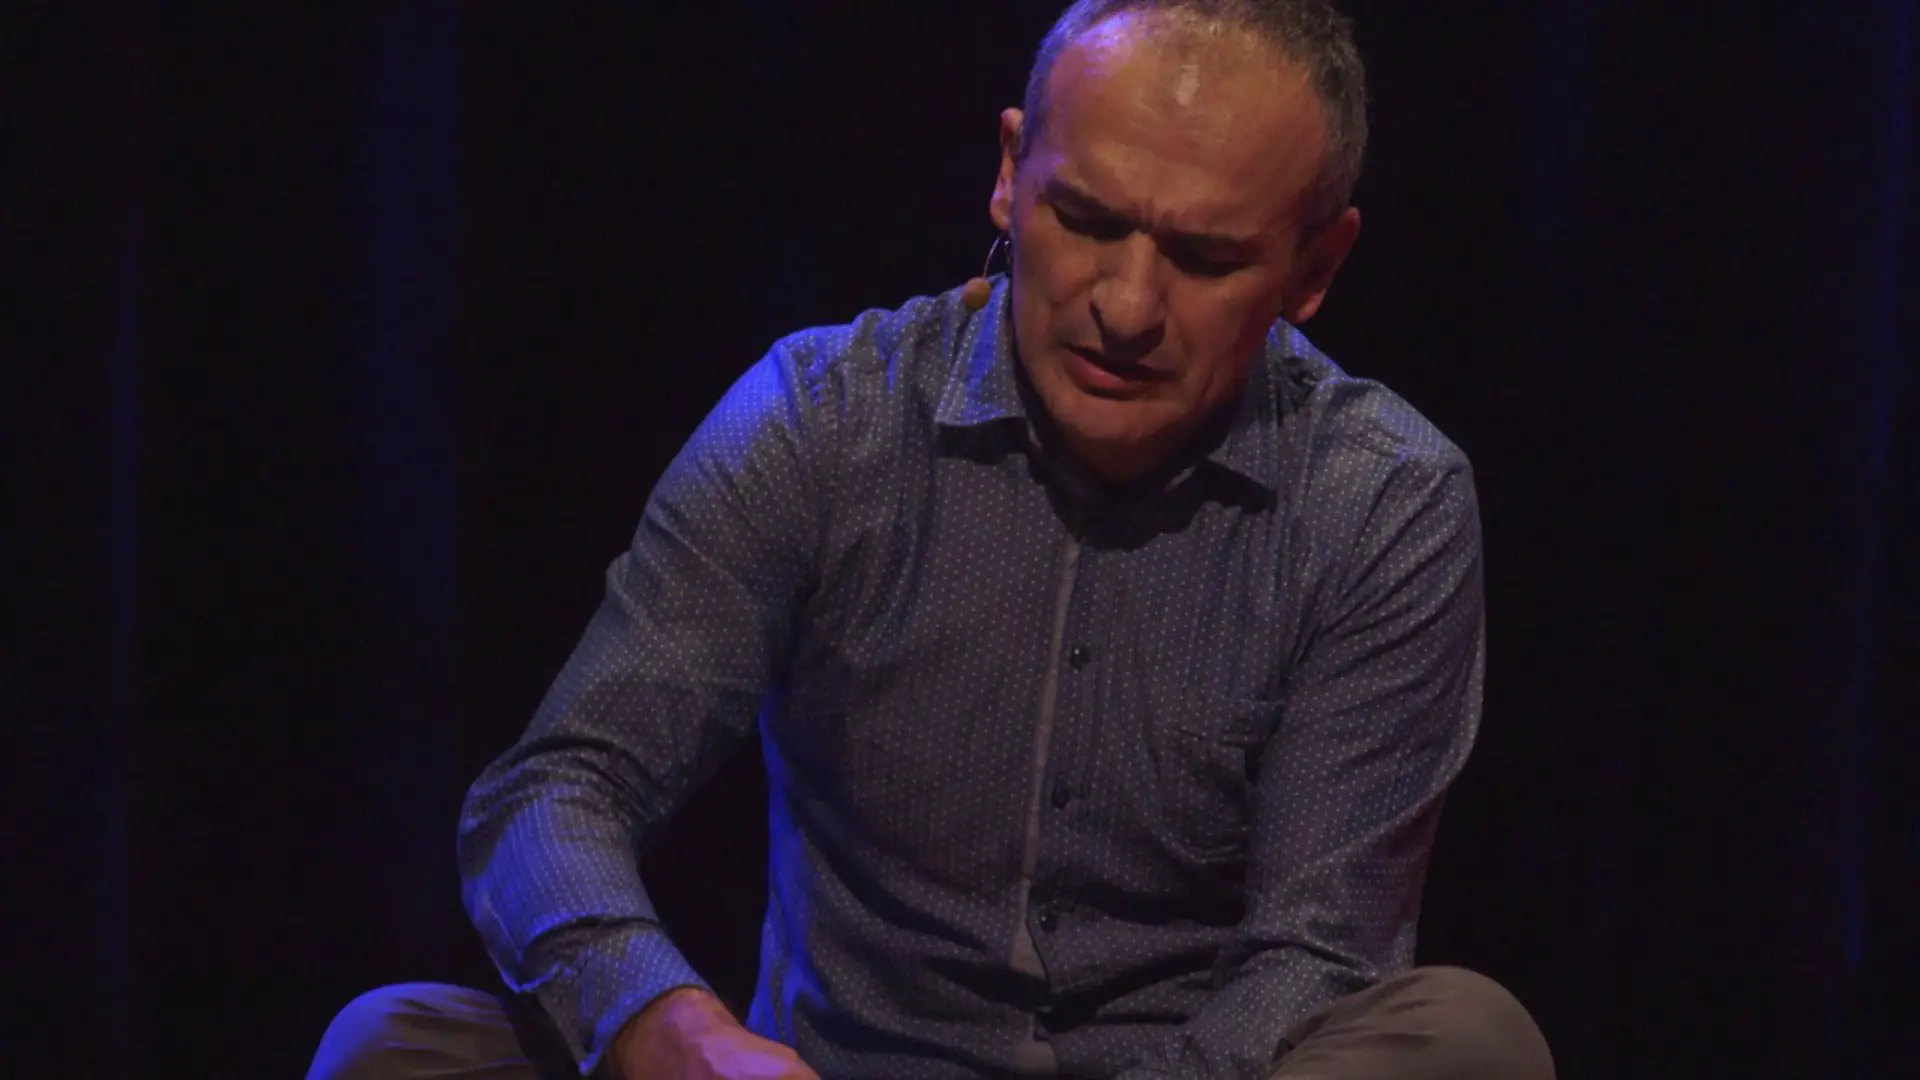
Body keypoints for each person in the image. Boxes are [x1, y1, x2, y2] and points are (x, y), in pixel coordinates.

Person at [308, 2, 1555, 1078]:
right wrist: (665, 1028)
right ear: (1012, 173)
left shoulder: (1380, 501)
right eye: (1086, 219)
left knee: (1467, 1038)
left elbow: (1315, 956)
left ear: (1314, 266)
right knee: (399, 1044)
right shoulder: (825, 418)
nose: (1126, 306)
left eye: (1202, 256)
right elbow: (555, 789)